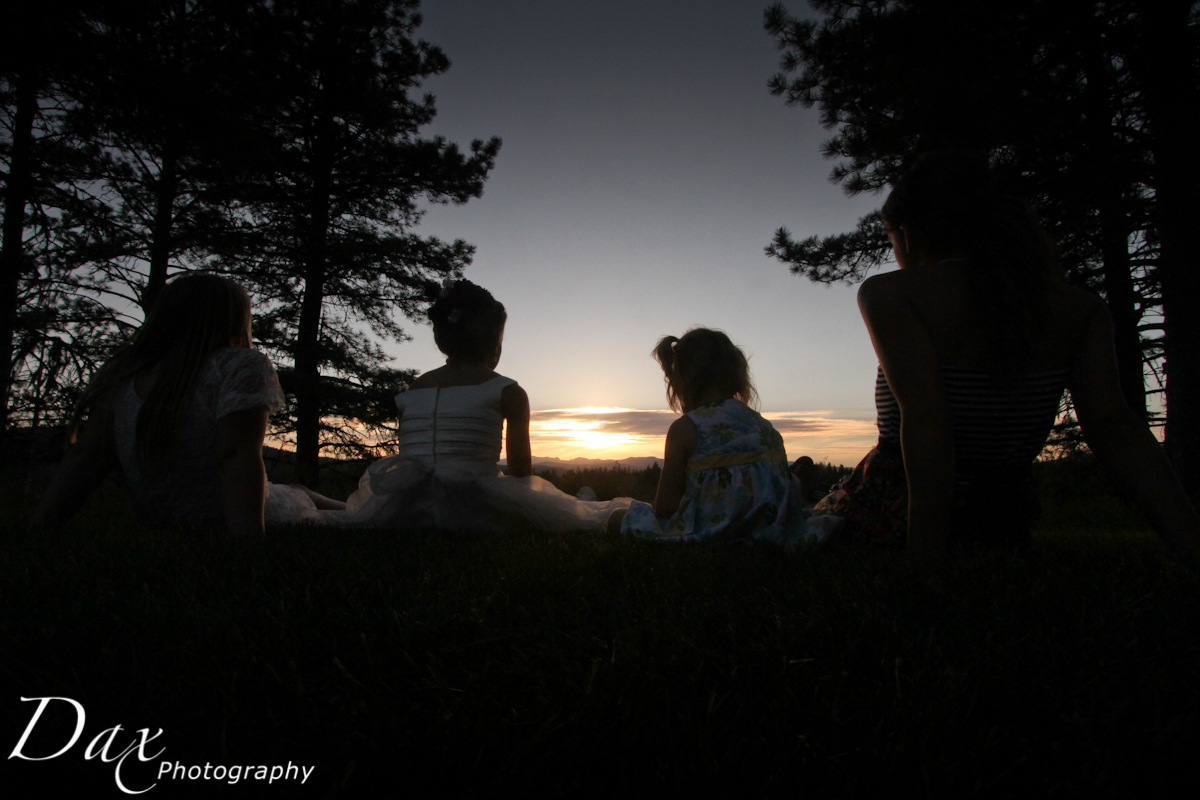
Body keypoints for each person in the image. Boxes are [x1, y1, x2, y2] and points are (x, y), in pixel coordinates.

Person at [816, 151, 1200, 563]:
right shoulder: (1082, 309)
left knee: (799, 523)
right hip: (999, 516)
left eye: (891, 238)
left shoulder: (891, 294)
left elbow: (927, 418)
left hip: (897, 509)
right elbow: (1113, 425)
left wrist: (924, 558)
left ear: (908, 233)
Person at [28, 274, 341, 536]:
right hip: (229, 516)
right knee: (305, 497)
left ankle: (357, 506)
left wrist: (40, 526)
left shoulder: (126, 370)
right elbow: (237, 455)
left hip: (158, 519)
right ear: (232, 318)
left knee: (300, 490)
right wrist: (248, 545)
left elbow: (87, 457)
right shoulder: (238, 365)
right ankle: (369, 511)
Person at [329, 279, 631, 532]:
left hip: (406, 508)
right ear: (492, 341)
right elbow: (521, 475)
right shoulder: (508, 391)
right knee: (591, 518)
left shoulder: (415, 389)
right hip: (475, 507)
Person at [609, 328, 835, 545]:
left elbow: (666, 507)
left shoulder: (686, 428)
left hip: (711, 533)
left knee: (619, 517)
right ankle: (803, 486)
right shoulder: (764, 426)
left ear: (682, 379)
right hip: (770, 532)